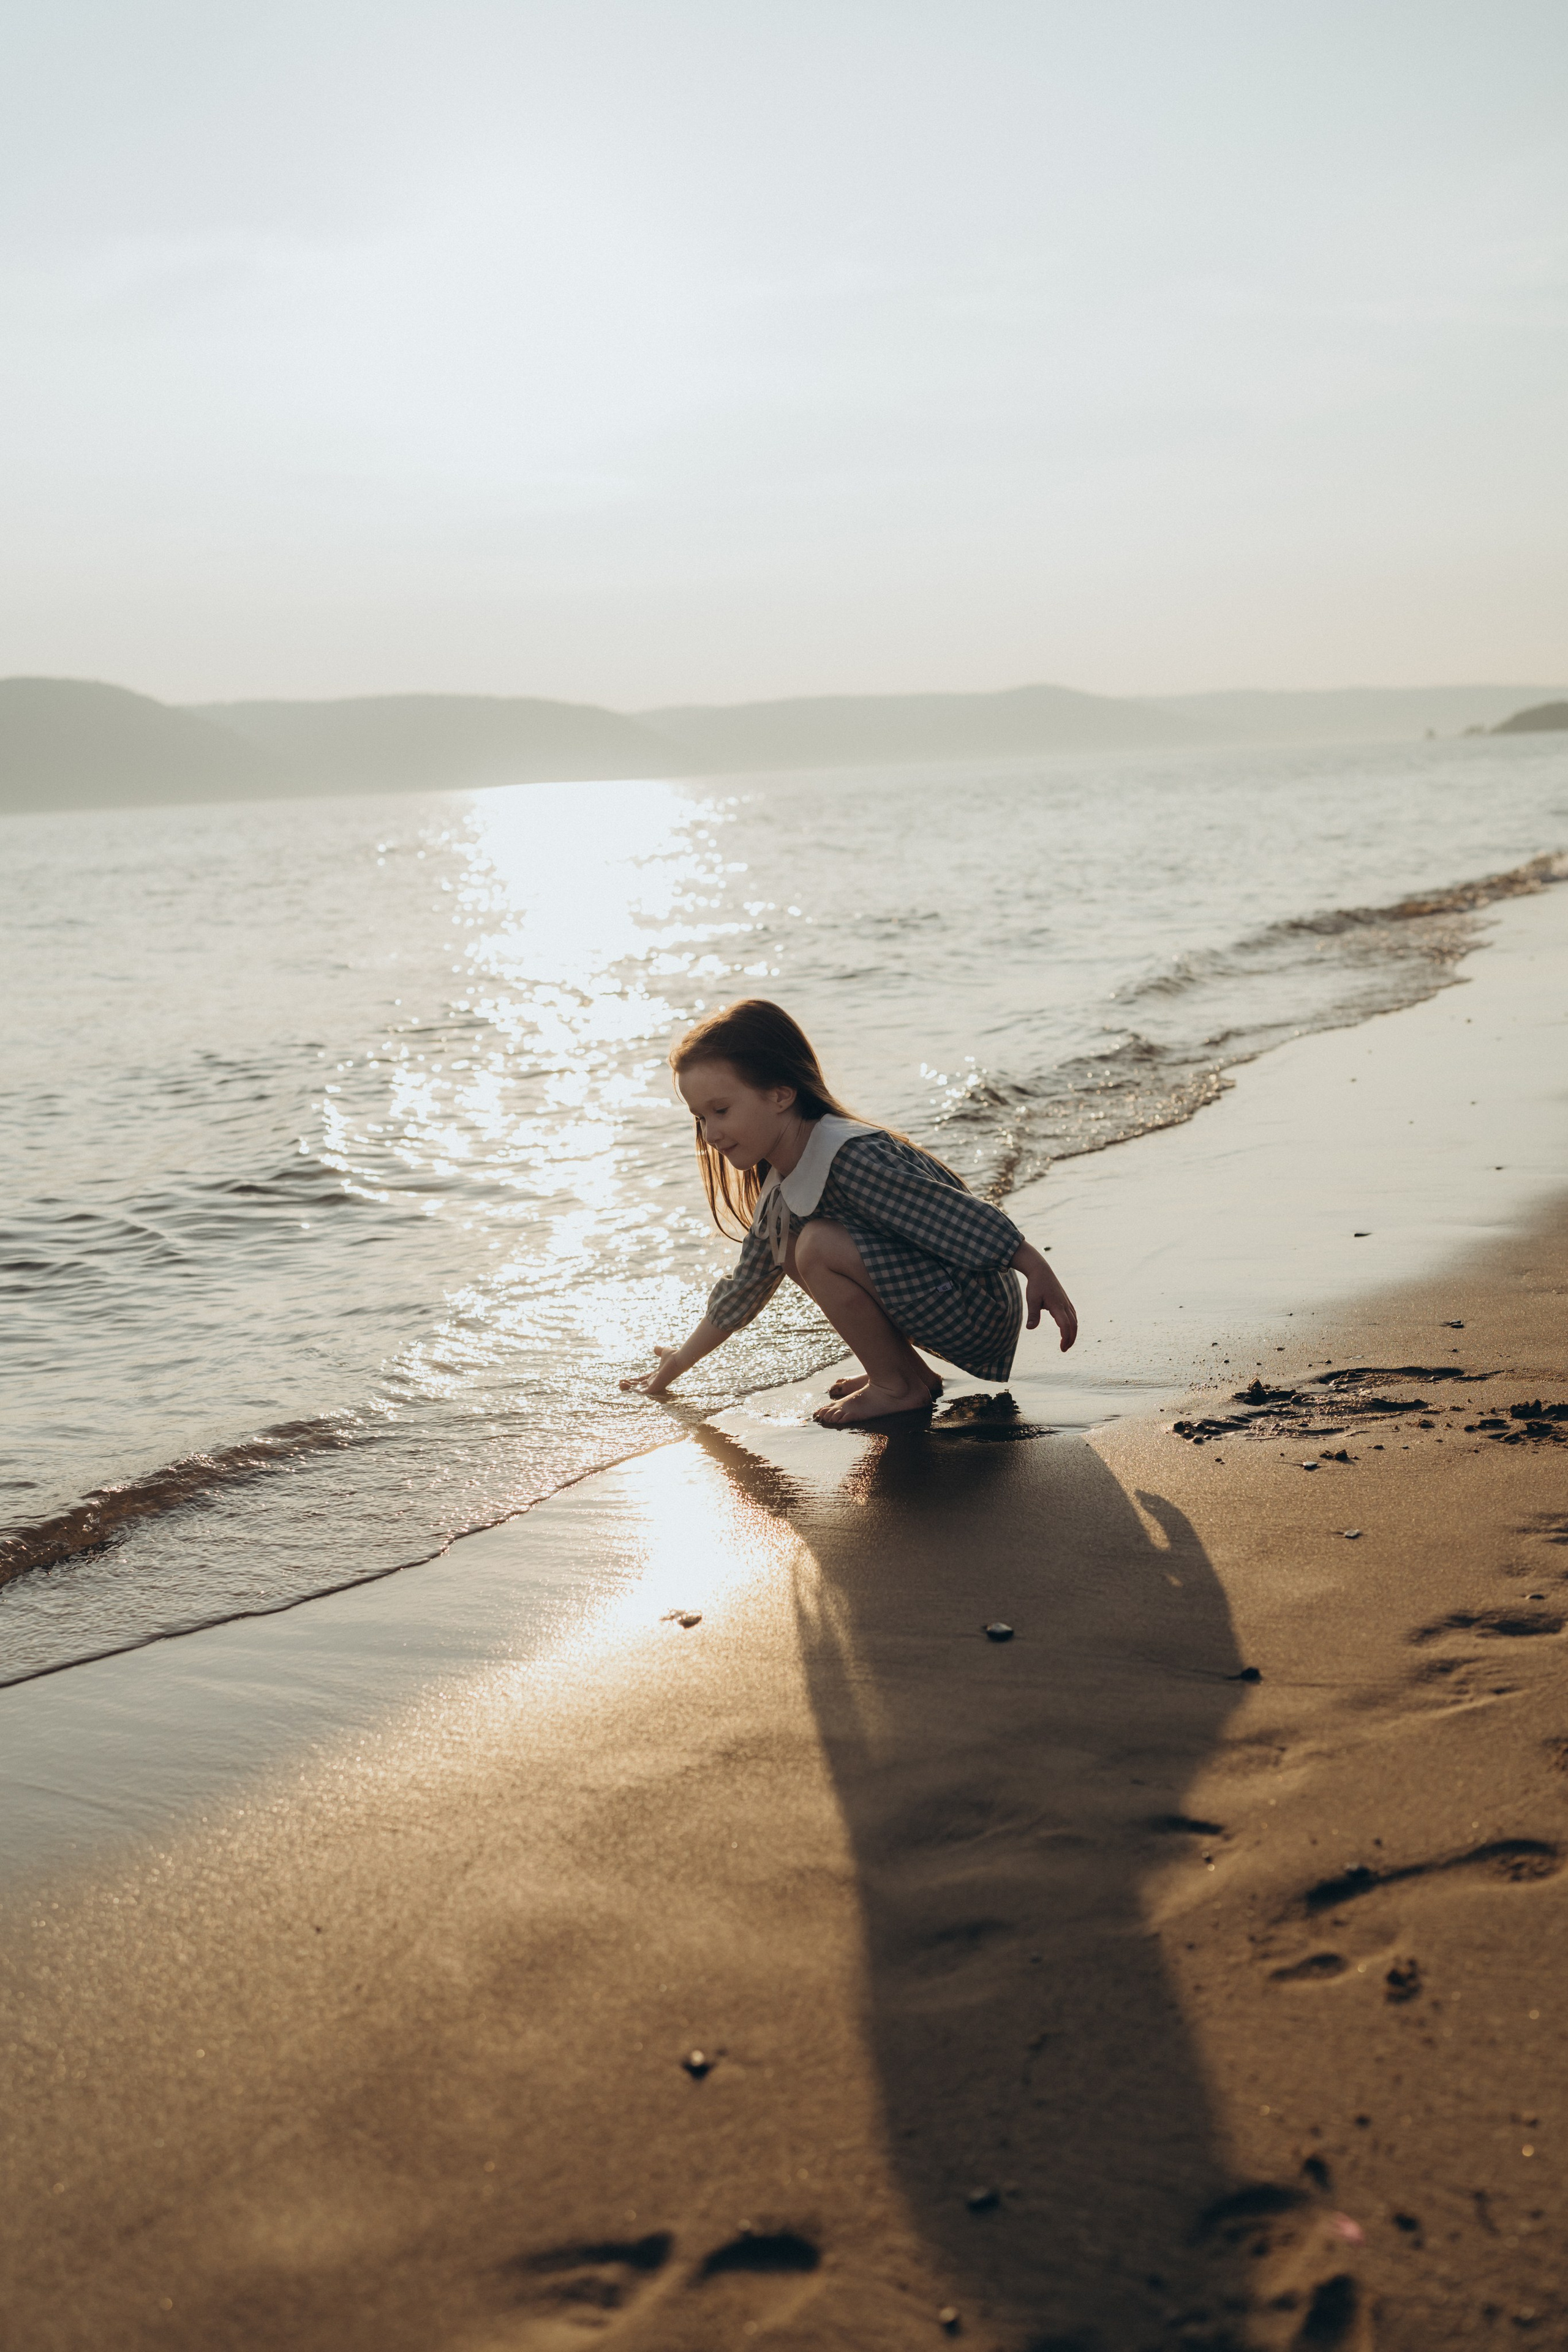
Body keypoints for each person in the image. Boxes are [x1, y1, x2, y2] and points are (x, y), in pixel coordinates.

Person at [620, 999, 1077, 1427]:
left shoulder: (850, 1156)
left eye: (721, 1110)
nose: (711, 1132)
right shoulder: (782, 1186)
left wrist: (1034, 1266)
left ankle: (896, 1387)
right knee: (790, 1248)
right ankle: (908, 1375)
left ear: (781, 1095)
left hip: (975, 1306)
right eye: (700, 1118)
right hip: (942, 1298)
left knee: (816, 1246)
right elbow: (743, 1289)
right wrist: (676, 1364)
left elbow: (952, 1215)